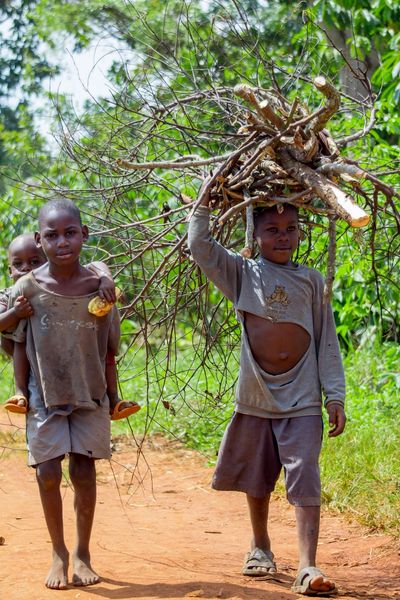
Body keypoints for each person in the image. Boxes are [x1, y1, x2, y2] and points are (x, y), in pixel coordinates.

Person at [187, 184, 346, 597]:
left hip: (304, 397)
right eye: (272, 229)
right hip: (257, 394)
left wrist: (335, 394)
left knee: (305, 472)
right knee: (258, 477)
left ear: (300, 234)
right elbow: (200, 246)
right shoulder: (242, 273)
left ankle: (308, 566)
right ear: (254, 235)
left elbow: (327, 340)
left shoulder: (311, 281)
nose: (282, 237)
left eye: (291, 228)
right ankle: (260, 546)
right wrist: (206, 200)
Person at [4, 198, 125, 589]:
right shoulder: (28, 287)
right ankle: (58, 551)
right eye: (52, 236)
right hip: (45, 396)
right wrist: (24, 391)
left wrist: (112, 393)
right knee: (48, 473)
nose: (62, 243)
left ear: (84, 234)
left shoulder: (100, 287)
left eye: (70, 233)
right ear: (40, 241)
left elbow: (110, 346)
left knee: (84, 471)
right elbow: (20, 343)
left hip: (89, 394)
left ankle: (83, 553)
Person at [1, 233, 140, 420]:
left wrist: (106, 279)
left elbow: (96, 265)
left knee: (103, 346)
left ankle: (114, 399)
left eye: (34, 262)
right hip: (35, 359)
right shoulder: (9, 294)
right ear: (10, 270)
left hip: (74, 349)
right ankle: (21, 393)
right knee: (21, 338)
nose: (26, 268)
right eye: (18, 265)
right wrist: (16, 313)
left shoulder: (69, 285)